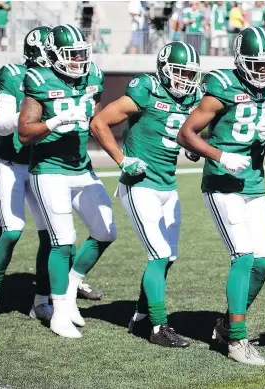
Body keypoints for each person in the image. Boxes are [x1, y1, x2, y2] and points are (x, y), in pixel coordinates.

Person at [177, 27, 265, 365]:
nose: (264, 71)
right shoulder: (222, 86)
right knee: (243, 255)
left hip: (254, 182)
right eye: (257, 64)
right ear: (240, 61)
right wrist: (220, 156)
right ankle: (237, 341)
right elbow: (186, 134)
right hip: (222, 183)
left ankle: (226, 325)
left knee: (264, 261)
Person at [90, 41, 202, 348]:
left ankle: (140, 316)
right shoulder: (146, 90)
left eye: (191, 74)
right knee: (159, 254)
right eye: (180, 73)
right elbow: (99, 122)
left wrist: (191, 149)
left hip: (168, 185)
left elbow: (181, 132)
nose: (186, 81)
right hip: (139, 185)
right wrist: (121, 159)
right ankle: (158, 327)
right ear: (165, 70)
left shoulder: (192, 96)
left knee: (169, 257)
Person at [18, 24, 116, 338]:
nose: (78, 60)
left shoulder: (93, 76)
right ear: (54, 55)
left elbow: (97, 121)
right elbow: (24, 133)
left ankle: (71, 287)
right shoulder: (39, 79)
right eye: (71, 55)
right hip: (49, 170)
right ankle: (58, 312)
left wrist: (121, 158)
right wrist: (55, 120)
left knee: (105, 231)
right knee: (63, 240)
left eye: (81, 54)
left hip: (81, 168)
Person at [0, 26, 54, 325]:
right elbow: (6, 125)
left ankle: (42, 300)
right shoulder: (14, 73)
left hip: (43, 164)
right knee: (11, 230)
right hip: (10, 161)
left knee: (53, 235)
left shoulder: (63, 79)